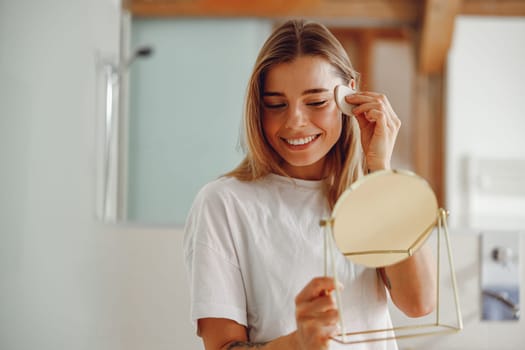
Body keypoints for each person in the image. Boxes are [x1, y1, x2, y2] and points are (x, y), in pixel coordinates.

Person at [183, 19, 436, 350]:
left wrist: (381, 171)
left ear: (350, 95)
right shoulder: (223, 204)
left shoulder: (373, 194)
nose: (294, 121)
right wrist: (298, 343)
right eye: (276, 104)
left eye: (316, 102)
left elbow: (419, 303)